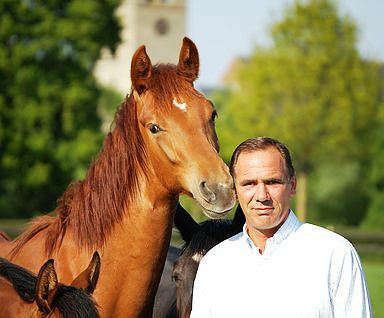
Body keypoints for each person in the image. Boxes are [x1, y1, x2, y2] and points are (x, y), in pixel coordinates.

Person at [190, 137, 372, 318]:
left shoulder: (334, 254)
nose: (262, 195)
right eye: (249, 184)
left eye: (272, 182)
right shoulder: (215, 263)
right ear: (235, 191)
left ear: (292, 186)